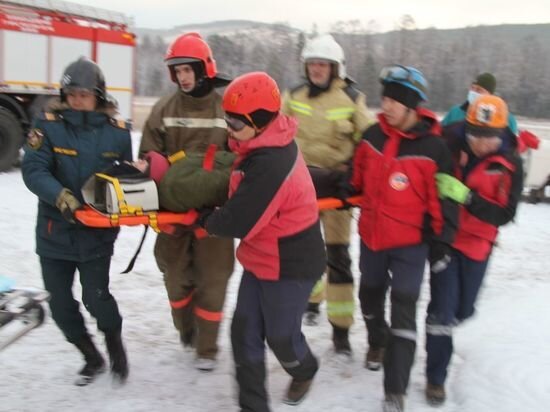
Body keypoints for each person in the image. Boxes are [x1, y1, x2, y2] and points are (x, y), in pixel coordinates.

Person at [198, 71, 326, 411]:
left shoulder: (271, 161)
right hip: (260, 257)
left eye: (235, 124)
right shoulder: (260, 144)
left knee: (281, 337)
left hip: (292, 263)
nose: (229, 129)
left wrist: (207, 221)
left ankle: (306, 368)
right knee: (244, 334)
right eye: (226, 120)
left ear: (260, 122)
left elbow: (242, 218)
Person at [349, 65, 457, 411]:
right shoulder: (371, 136)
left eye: (395, 101)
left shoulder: (434, 148)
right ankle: (376, 341)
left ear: (413, 107)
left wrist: (442, 238)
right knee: (368, 296)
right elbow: (356, 177)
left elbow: (445, 197)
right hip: (372, 240)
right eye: (385, 98)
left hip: (411, 245)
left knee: (404, 310)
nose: (388, 106)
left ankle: (395, 390)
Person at [21, 57, 132, 386]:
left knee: (96, 298)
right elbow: (34, 169)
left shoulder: (117, 132)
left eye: (84, 94)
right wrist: (60, 196)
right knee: (59, 304)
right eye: (71, 93)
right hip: (55, 231)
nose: (77, 99)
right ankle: (90, 356)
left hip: (96, 233)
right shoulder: (47, 124)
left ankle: (114, 344)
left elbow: (122, 176)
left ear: (98, 95)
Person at [138, 32, 234, 371]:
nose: (183, 77)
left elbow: (241, 159)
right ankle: (186, 330)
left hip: (215, 215)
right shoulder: (164, 109)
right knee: (176, 277)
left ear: (204, 68)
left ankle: (207, 349)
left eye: (188, 69)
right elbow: (147, 157)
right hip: (173, 214)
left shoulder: (227, 108)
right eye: (177, 71)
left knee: (214, 277)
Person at [425, 95, 523, 406]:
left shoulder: (510, 164)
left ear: (501, 135)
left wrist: (468, 198)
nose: (480, 144)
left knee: (462, 311)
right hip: (447, 242)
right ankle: (435, 377)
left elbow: (505, 214)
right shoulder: (451, 148)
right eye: (475, 136)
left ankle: (449, 321)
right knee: (442, 310)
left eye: (488, 137)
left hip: (479, 246)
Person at [282, 34, 372, 354]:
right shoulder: (292, 96)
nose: (317, 70)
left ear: (336, 68)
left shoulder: (351, 98)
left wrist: (355, 174)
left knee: (338, 259)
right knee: (304, 254)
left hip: (337, 190)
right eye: (312, 64)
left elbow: (370, 140)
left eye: (323, 64)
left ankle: (341, 331)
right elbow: (273, 133)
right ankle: (311, 301)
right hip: (299, 188)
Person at [441, 72, 518, 134]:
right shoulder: (455, 112)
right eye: (472, 88)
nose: (473, 92)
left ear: (490, 94)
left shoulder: (506, 118)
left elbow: (512, 146)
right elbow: (440, 133)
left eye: (479, 90)